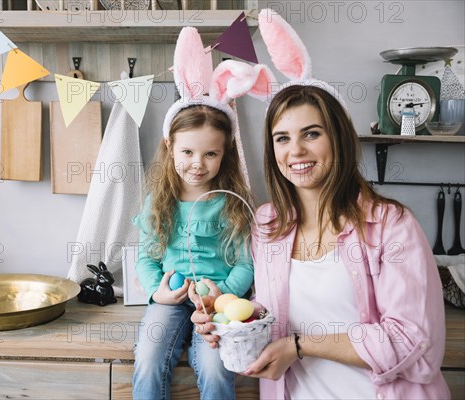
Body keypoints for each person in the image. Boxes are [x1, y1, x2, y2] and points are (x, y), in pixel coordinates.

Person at [191, 84, 450, 399]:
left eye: (311, 134)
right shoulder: (268, 225)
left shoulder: (391, 225)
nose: (296, 150)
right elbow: (276, 313)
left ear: (338, 138)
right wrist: (232, 315)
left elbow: (412, 342)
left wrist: (299, 346)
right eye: (282, 138)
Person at [132, 103, 255, 400]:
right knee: (148, 358)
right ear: (169, 146)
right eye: (187, 152)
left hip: (218, 303)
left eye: (210, 154)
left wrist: (221, 296)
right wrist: (156, 292)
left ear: (225, 154)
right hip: (169, 301)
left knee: (216, 368)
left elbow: (246, 264)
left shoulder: (232, 203)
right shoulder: (159, 201)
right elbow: (146, 258)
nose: (197, 163)